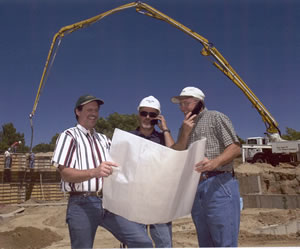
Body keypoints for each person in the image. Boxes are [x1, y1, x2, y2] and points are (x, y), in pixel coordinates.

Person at [52, 94, 153, 249]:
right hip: (81, 203)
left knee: (142, 242)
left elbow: (124, 162)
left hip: (108, 203)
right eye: (89, 109)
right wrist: (94, 172)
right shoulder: (69, 136)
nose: (94, 113)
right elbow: (65, 174)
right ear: (77, 112)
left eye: (96, 110)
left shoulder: (104, 139)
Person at [171, 86, 241, 247]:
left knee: (225, 241)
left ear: (198, 103)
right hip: (196, 187)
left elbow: (235, 147)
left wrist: (213, 163)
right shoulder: (184, 127)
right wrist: (185, 133)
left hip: (219, 183)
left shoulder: (215, 117)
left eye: (186, 103)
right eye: (180, 105)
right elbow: (177, 152)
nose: (182, 108)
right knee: (205, 242)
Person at [130, 96, 174, 248]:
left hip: (159, 201)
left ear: (158, 117)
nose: (147, 117)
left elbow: (174, 155)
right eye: (144, 113)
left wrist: (165, 129)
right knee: (137, 244)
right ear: (139, 114)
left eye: (152, 114)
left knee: (164, 244)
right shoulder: (128, 138)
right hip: (134, 201)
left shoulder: (163, 138)